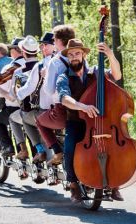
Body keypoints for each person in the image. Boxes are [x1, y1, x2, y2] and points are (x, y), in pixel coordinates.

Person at [56, 38, 124, 203]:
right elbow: (64, 98)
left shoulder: (96, 72)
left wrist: (109, 53)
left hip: (100, 122)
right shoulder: (63, 77)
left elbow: (117, 75)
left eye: (77, 53)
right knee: (70, 148)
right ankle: (73, 183)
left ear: (84, 55)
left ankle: (113, 184)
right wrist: (81, 106)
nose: (74, 57)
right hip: (77, 121)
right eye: (71, 54)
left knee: (113, 148)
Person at [36, 25, 75, 166]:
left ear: (58, 41)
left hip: (62, 110)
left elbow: (49, 90)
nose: (53, 41)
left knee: (39, 121)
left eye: (53, 39)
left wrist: (46, 76)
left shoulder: (55, 62)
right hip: (80, 107)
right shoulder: (79, 56)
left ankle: (58, 152)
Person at [16, 32, 55, 163]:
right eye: (42, 45)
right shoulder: (64, 61)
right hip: (65, 109)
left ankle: (39, 150)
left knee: (24, 116)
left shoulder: (40, 66)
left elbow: (28, 89)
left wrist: (17, 93)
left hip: (47, 112)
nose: (43, 48)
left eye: (46, 45)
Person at [0, 38, 26, 157]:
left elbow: (1, 94)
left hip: (14, 108)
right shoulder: (34, 64)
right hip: (31, 107)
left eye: (11, 49)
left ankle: (7, 146)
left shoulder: (9, 68)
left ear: (15, 50)